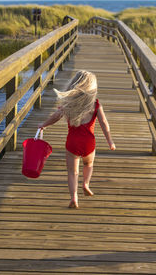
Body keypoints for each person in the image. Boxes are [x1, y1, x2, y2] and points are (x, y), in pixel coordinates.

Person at [38, 70, 116, 209]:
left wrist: (44, 125)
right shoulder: (95, 105)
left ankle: (74, 197)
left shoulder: (69, 103)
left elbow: (55, 116)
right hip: (89, 143)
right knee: (88, 164)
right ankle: (86, 183)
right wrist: (110, 141)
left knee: (72, 172)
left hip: (72, 142)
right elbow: (104, 123)